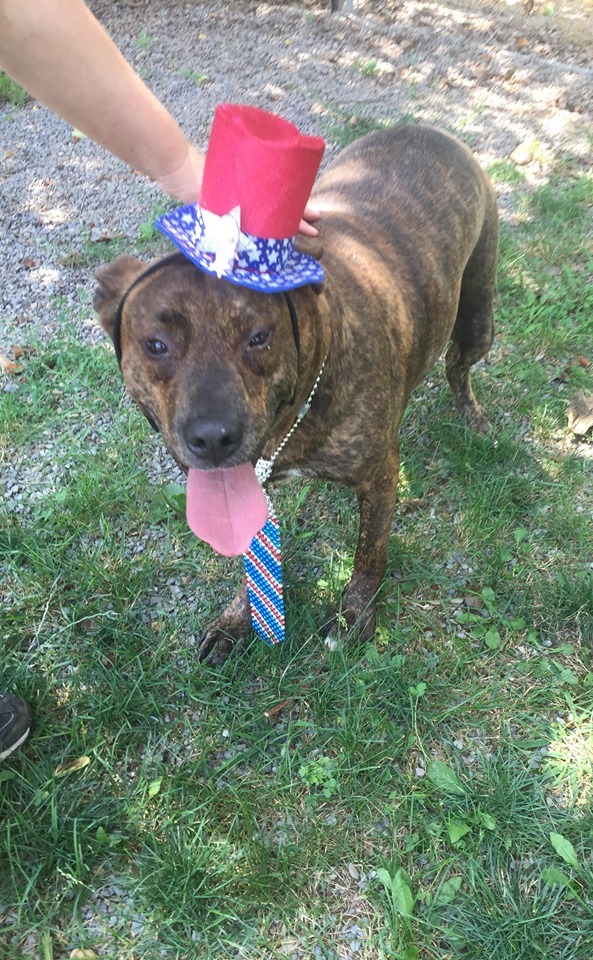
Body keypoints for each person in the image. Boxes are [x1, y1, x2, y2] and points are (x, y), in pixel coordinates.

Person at [0, 0, 319, 757]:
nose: (207, 418)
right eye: (158, 348)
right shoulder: (121, 294)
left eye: (254, 339)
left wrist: (183, 169)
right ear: (115, 320)